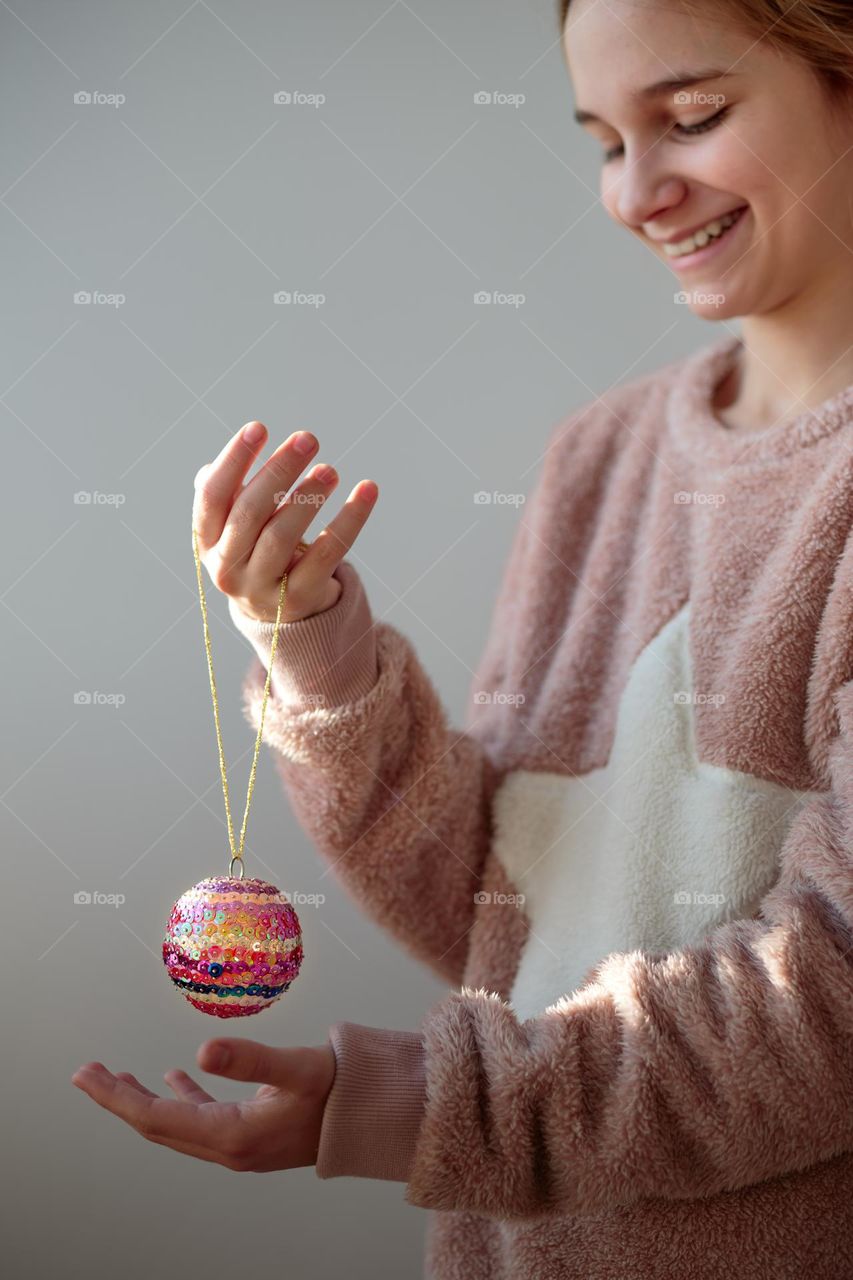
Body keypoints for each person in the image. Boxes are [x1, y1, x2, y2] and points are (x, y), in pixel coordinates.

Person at [72, 0, 853, 1274]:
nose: (634, 192)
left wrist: (438, 1105)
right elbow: (490, 905)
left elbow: (828, 1005)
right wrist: (318, 645)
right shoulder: (598, 460)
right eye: (604, 139)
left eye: (690, 118)